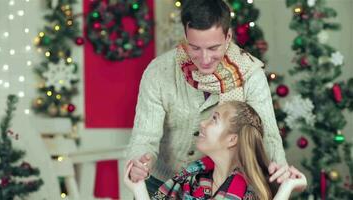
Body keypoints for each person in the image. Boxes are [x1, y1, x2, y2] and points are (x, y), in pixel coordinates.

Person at [127, 0, 290, 194]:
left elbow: (267, 135)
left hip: (217, 186)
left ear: (228, 37)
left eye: (213, 48)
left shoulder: (250, 75)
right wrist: (140, 162)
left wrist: (279, 168)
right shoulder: (158, 71)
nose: (204, 59)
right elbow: (144, 137)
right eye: (195, 47)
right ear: (185, 36)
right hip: (159, 182)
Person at [125, 101, 307, 200]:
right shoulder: (193, 180)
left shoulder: (250, 192)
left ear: (232, 139)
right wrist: (138, 188)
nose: (203, 124)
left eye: (214, 119)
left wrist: (288, 186)